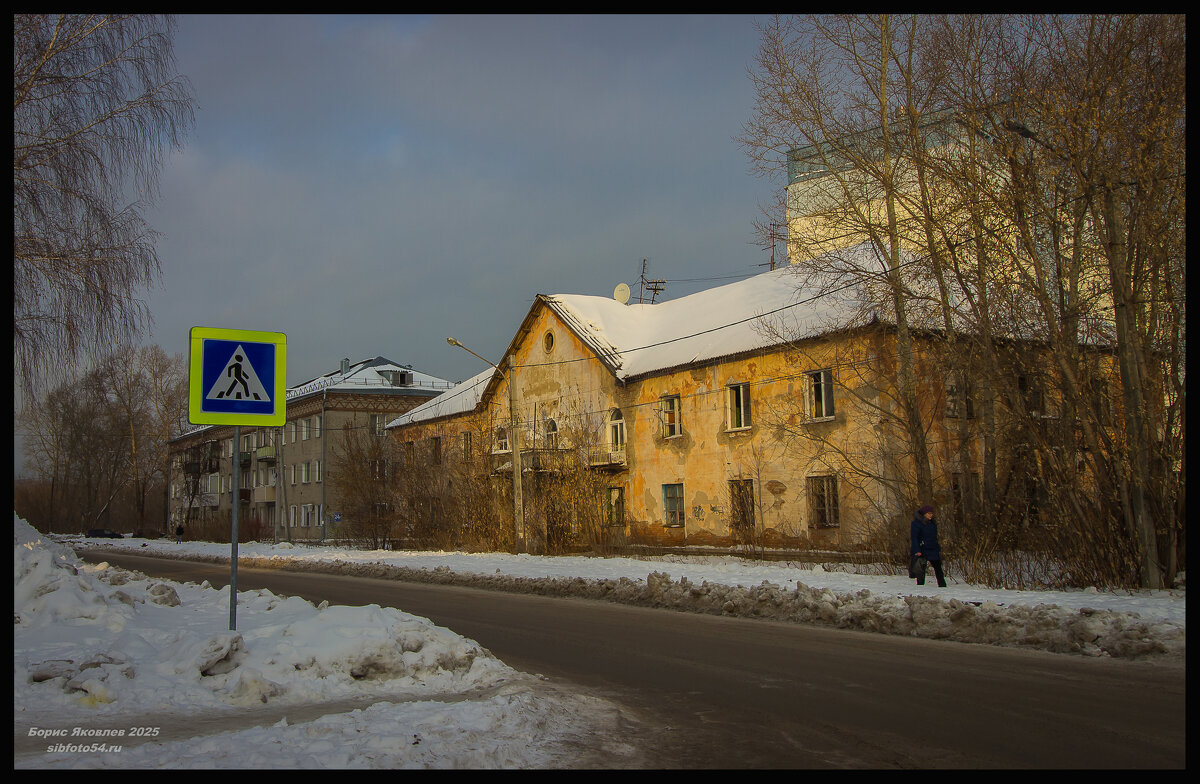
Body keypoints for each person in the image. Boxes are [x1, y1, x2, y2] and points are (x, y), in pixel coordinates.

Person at [910, 504, 947, 587]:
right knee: (920, 569)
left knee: (938, 567)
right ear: (924, 514)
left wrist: (937, 547)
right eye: (928, 513)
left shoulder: (932, 523)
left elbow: (934, 537)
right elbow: (914, 537)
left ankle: (942, 585)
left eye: (931, 513)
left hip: (933, 548)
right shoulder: (916, 524)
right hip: (922, 548)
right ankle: (920, 586)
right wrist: (917, 550)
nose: (931, 515)